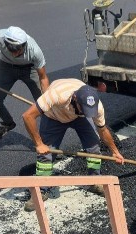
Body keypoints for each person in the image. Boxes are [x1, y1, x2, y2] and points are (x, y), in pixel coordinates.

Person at [21, 78, 124, 212]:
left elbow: (103, 129)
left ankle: (94, 181)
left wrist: (114, 151)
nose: (87, 113)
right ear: (75, 99)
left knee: (93, 146)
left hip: (78, 118)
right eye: (84, 109)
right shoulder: (56, 95)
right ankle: (41, 190)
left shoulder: (95, 107)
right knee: (46, 154)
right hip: (54, 116)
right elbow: (27, 116)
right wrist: (39, 144)